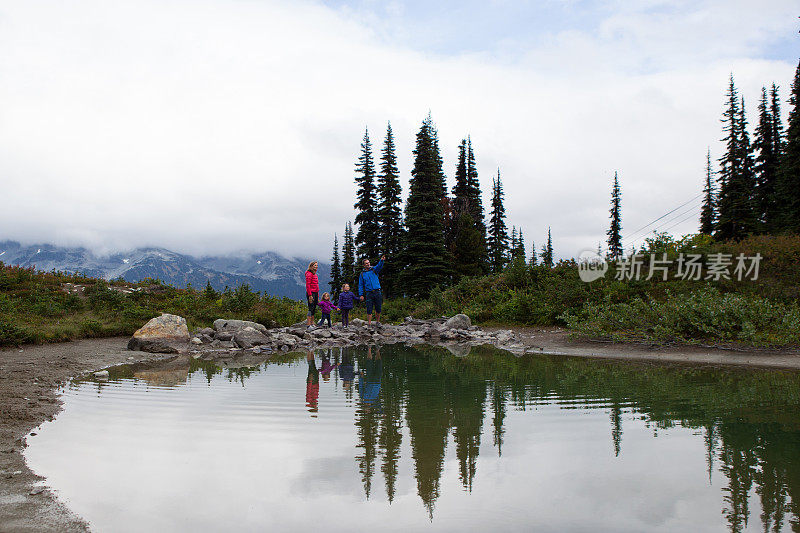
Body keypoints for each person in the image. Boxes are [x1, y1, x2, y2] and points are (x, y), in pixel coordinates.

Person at [358, 255, 386, 326]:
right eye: (366, 263)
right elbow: (360, 285)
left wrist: (381, 260)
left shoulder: (374, 269)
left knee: (378, 308)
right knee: (369, 309)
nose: (368, 264)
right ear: (364, 265)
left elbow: (379, 266)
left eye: (369, 262)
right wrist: (361, 294)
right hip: (369, 293)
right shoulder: (362, 274)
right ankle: (369, 324)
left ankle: (377, 322)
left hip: (377, 291)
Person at [305, 261, 319, 329]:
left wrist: (318, 296)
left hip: (315, 293)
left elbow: (316, 285)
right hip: (311, 293)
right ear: (311, 266)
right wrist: (310, 295)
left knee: (314, 308)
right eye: (315, 265)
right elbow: (308, 285)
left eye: (316, 265)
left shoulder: (315, 274)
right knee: (311, 308)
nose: (316, 266)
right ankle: (308, 325)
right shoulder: (309, 274)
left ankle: (312, 323)